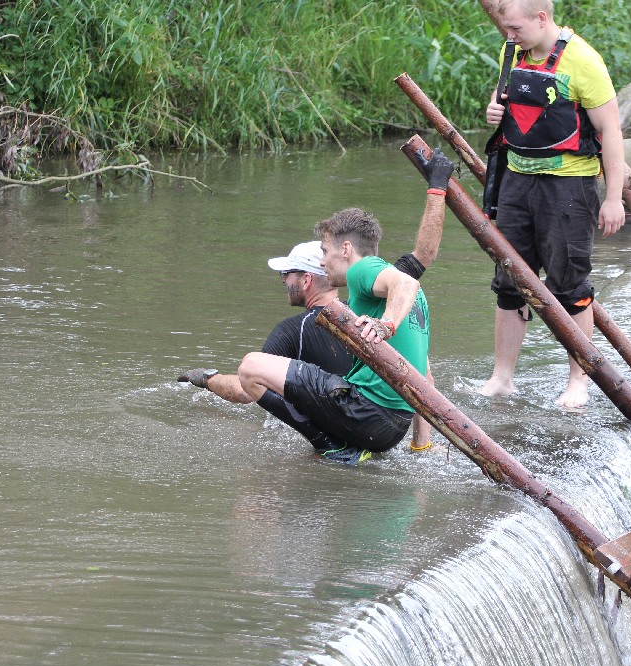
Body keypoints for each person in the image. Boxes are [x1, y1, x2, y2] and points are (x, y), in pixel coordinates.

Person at [182, 150, 454, 458]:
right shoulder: (402, 300)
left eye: (325, 251)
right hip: (393, 428)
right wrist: (421, 444)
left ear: (346, 249)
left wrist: (385, 325)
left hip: (365, 414)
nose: (324, 261)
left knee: (251, 366)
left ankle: (332, 447)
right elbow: (423, 374)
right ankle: (347, 444)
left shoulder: (364, 274)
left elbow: (406, 282)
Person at [478, 0, 626, 408]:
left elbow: (610, 131)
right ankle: (502, 377)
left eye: (515, 28)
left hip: (568, 187)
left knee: (569, 284)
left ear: (542, 19)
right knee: (509, 279)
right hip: (514, 181)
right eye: (506, 28)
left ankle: (578, 381)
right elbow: (506, 93)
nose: (508, 35)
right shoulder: (515, 51)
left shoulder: (584, 61)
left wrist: (613, 198)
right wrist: (495, 107)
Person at [176, 241, 352, 403]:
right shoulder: (361, 315)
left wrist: (207, 379)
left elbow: (244, 391)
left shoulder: (293, 330)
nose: (283, 279)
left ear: (306, 280)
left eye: (286, 273)